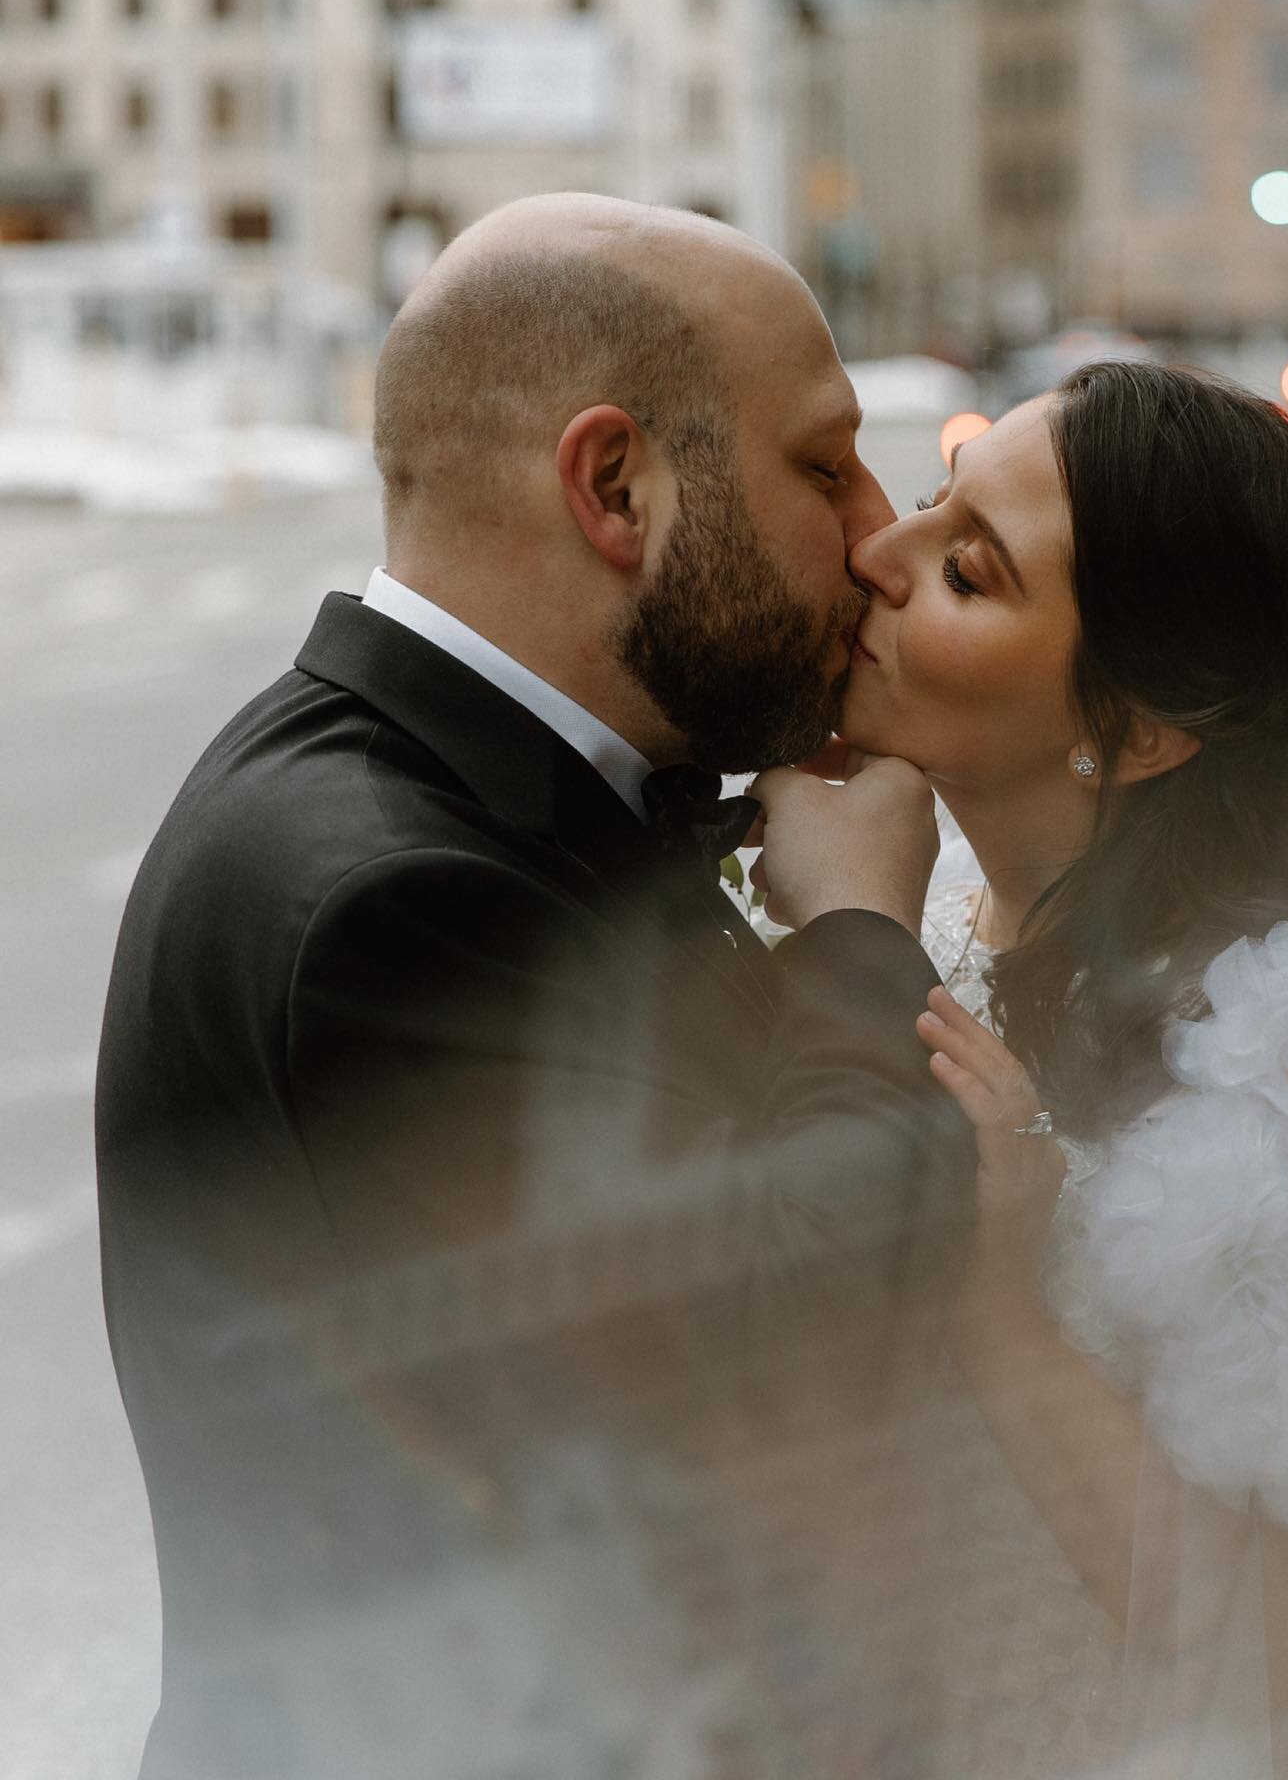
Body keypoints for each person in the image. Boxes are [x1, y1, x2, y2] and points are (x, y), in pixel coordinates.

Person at [94, 196, 977, 1780]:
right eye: (823, 462)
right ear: (616, 485)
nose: (875, 524)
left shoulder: (437, 797)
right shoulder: (391, 898)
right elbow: (783, 1364)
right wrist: (855, 931)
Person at [758, 360, 1288, 1776]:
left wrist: (999, 1303)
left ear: (1134, 731)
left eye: (969, 568)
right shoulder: (916, 923)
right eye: (933, 500)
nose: (876, 556)